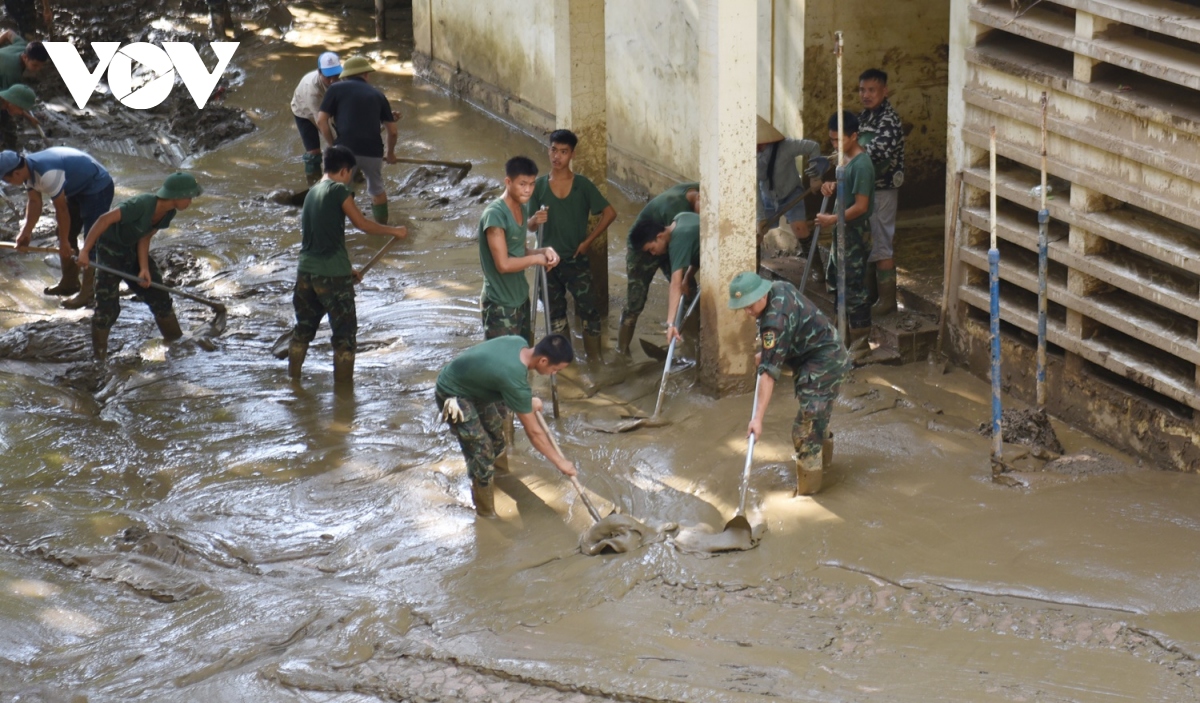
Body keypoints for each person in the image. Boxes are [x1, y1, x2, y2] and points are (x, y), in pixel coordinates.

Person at [286, 145, 409, 385]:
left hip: (306, 273)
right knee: (344, 337)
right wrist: (394, 230)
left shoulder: (312, 193)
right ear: (344, 170)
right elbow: (362, 224)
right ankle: (344, 396)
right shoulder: (339, 191)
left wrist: (347, 268)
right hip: (332, 275)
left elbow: (323, 236)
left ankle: (293, 382)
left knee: (302, 331)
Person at [730, 271, 850, 496]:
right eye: (742, 307)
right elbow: (789, 333)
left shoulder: (774, 323)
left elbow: (768, 375)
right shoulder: (779, 287)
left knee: (805, 432)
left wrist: (757, 419)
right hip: (825, 351)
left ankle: (808, 493)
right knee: (817, 422)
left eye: (749, 305)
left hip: (823, 362)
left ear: (761, 295)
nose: (746, 312)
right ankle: (825, 469)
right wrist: (768, 353)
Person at [435, 333, 577, 517]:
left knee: (496, 437)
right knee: (481, 452)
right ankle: (486, 514)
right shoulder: (514, 377)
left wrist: (526, 400)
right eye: (556, 369)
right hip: (452, 392)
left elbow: (499, 375)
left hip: (476, 387)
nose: (555, 374)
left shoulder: (519, 343)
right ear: (543, 360)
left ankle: (501, 478)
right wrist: (560, 462)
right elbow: (534, 433)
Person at [76, 172, 203, 360]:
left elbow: (144, 237)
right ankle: (99, 359)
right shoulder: (141, 204)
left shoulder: (168, 212)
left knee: (159, 296)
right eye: (189, 197)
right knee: (107, 308)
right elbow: (103, 220)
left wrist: (144, 268)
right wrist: (86, 251)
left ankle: (176, 341)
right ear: (176, 196)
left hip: (133, 251)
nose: (190, 202)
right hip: (110, 251)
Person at [525, 129, 617, 360]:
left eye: (563, 152)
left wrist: (587, 241)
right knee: (555, 316)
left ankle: (595, 361)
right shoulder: (539, 187)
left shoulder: (583, 186)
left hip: (576, 260)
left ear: (572, 155)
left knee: (590, 312)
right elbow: (529, 227)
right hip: (547, 263)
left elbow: (609, 213)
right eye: (554, 150)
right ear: (548, 151)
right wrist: (535, 219)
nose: (557, 156)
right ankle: (565, 364)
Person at [1, 146, 115, 308]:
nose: (8, 183)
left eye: (7, 179)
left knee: (91, 239)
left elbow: (61, 210)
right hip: (76, 186)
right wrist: (25, 232)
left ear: (16, 173)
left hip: (97, 186)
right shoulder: (27, 171)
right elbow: (34, 202)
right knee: (64, 234)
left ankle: (88, 293)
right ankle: (70, 282)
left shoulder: (47, 174)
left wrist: (64, 244)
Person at [478, 155, 560, 342]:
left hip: (521, 298)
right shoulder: (495, 216)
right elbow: (503, 264)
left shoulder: (522, 209)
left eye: (531, 184)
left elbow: (520, 252)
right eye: (522, 184)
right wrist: (536, 260)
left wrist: (543, 251)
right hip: (500, 304)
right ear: (508, 182)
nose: (528, 190)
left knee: (523, 358)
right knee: (502, 365)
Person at [815, 111, 875, 351]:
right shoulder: (845, 160)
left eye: (840, 140)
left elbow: (861, 206)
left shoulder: (862, 165)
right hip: (842, 230)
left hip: (855, 232)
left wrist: (832, 218)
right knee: (838, 279)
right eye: (832, 140)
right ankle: (843, 338)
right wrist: (831, 185)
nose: (835, 145)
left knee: (853, 286)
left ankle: (860, 344)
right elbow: (845, 187)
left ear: (854, 136)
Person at [618, 181, 700, 356]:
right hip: (645, 245)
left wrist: (686, 279)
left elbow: (691, 260)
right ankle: (622, 351)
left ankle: (692, 348)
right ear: (697, 200)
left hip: (667, 241)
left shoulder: (697, 191)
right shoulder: (675, 209)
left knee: (689, 291)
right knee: (635, 301)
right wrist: (670, 323)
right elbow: (675, 284)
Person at [317, 55, 399, 224]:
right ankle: (381, 229)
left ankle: (336, 230)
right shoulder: (378, 95)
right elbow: (392, 131)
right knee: (376, 188)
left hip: (344, 151)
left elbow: (321, 121)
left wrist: (333, 146)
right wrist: (390, 154)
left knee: (337, 191)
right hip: (373, 152)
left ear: (345, 75)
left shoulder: (335, 89)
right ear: (366, 75)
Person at [857, 68, 905, 316]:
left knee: (882, 242)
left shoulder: (889, 120)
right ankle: (872, 295)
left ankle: (887, 301)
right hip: (865, 190)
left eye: (872, 90)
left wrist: (849, 154)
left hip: (883, 190)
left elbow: (877, 152)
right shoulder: (863, 117)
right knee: (868, 241)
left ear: (884, 91)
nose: (866, 95)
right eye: (862, 90)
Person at [755, 116, 823, 260]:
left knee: (800, 228)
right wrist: (760, 218)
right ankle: (753, 275)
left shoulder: (787, 146)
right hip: (766, 196)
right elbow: (752, 187)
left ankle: (815, 265)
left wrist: (815, 177)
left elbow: (813, 147)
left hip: (791, 193)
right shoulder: (747, 156)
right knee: (755, 235)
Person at [628, 210, 699, 345]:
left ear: (660, 236)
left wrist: (671, 324)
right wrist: (687, 278)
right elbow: (698, 249)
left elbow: (675, 284)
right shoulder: (680, 217)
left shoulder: (678, 242)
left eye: (652, 248)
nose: (653, 254)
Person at [291, 52, 341, 186]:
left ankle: (354, 173)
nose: (332, 80)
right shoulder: (312, 88)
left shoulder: (344, 79)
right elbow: (321, 121)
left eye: (336, 76)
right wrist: (333, 147)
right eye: (328, 77)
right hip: (304, 112)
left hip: (331, 106)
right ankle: (313, 182)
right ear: (320, 72)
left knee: (346, 141)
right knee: (314, 152)